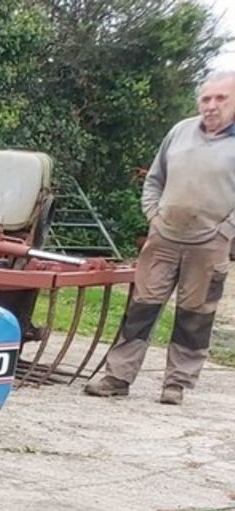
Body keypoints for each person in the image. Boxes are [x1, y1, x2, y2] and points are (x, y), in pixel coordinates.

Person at [85, 71, 235, 404]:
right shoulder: (180, 132)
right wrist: (153, 215)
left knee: (195, 315)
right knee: (141, 307)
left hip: (209, 244)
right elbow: (154, 179)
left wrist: (226, 231)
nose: (211, 105)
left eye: (221, 98)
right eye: (206, 98)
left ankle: (177, 384)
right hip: (164, 237)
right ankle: (117, 376)